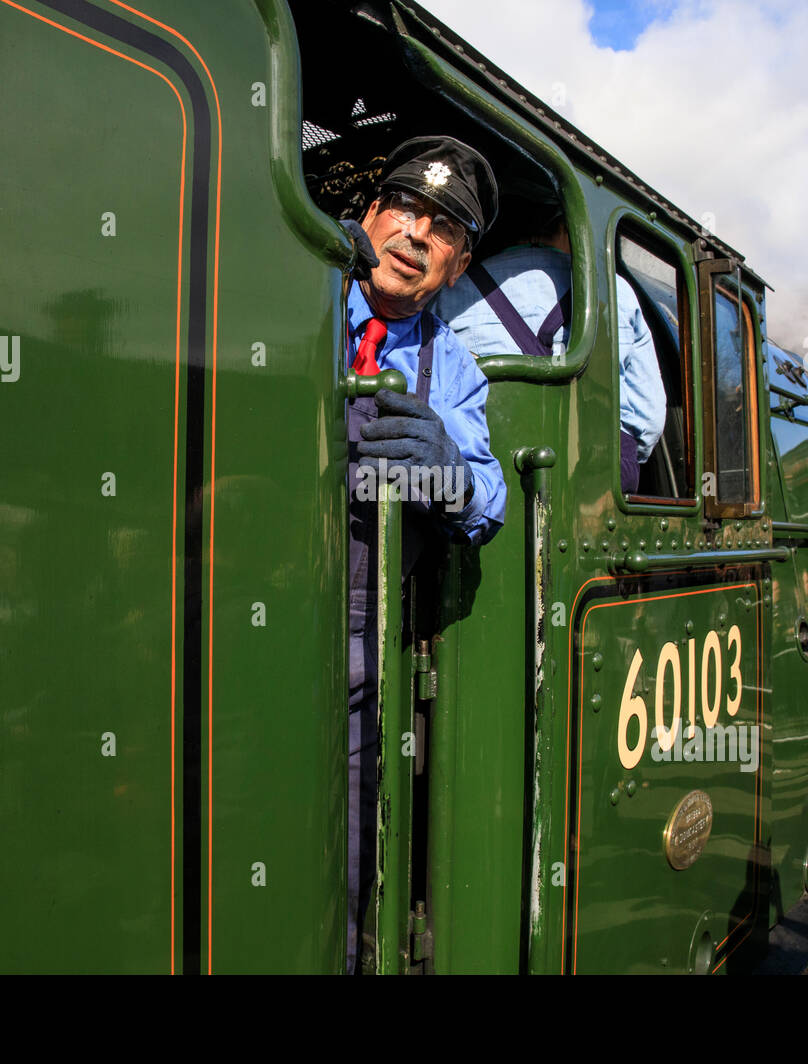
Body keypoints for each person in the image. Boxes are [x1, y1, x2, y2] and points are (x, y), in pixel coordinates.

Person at [338, 135, 506, 973]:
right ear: (369, 215)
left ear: (458, 261)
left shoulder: (456, 367)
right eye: (403, 208)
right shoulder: (293, 296)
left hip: (355, 668)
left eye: (441, 228)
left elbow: (489, 500)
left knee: (337, 879)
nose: (414, 234)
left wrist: (447, 476)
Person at [432, 210, 666, 493]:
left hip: (488, 470)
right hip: (601, 472)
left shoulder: (451, 290)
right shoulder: (617, 290)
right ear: (568, 228)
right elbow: (649, 419)